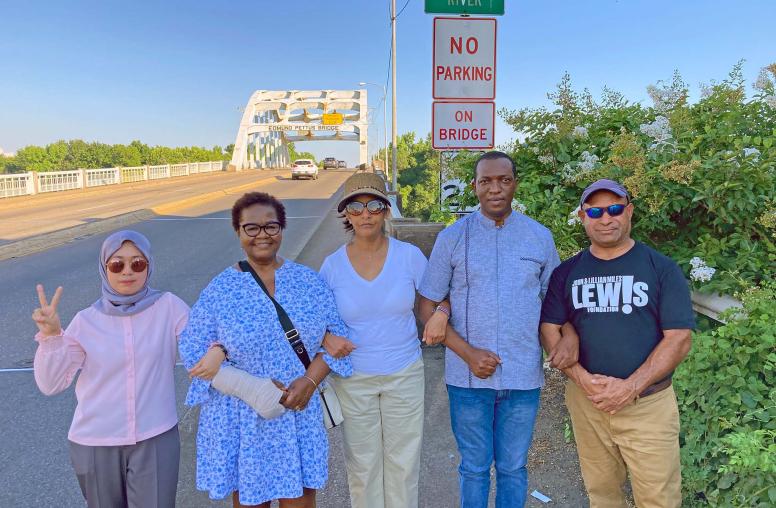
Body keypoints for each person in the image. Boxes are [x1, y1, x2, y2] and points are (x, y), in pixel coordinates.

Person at [178, 191, 353, 508]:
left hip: (297, 410)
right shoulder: (221, 289)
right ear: (238, 232)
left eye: (271, 226)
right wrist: (224, 356)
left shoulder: (307, 282)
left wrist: (310, 381)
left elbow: (338, 339)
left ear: (282, 229)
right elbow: (192, 350)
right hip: (245, 417)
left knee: (300, 500)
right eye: (252, 228)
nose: (262, 235)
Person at [540, 179, 695, 508]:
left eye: (614, 209)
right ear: (583, 217)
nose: (605, 218)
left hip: (647, 406)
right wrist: (583, 380)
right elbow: (549, 327)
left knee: (659, 499)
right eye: (595, 211)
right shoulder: (566, 272)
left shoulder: (661, 269)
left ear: (629, 212)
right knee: (602, 494)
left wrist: (630, 387)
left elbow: (679, 339)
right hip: (587, 403)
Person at [418, 151, 561, 508]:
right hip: (467, 381)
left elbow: (555, 306)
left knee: (513, 467)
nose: (495, 189)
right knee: (475, 468)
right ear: (475, 186)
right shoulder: (453, 238)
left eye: (504, 180)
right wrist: (468, 353)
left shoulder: (539, 237)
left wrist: (564, 348)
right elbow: (426, 305)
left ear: (515, 184)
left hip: (523, 377)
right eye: (486, 181)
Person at [31, 230, 193, 508]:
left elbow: (200, 348)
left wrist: (221, 351)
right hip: (95, 442)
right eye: (117, 264)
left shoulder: (169, 307)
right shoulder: (86, 321)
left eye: (137, 263)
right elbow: (50, 383)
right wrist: (52, 337)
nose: (127, 272)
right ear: (105, 268)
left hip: (156, 435)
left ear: (149, 266)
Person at [318, 172, 449, 508]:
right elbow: (315, 319)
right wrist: (327, 336)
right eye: (356, 206)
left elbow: (440, 296)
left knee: (403, 464)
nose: (366, 213)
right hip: (353, 379)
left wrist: (441, 314)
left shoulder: (409, 257)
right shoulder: (331, 267)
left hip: (403, 372)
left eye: (374, 205)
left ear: (386, 209)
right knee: (362, 467)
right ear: (345, 213)